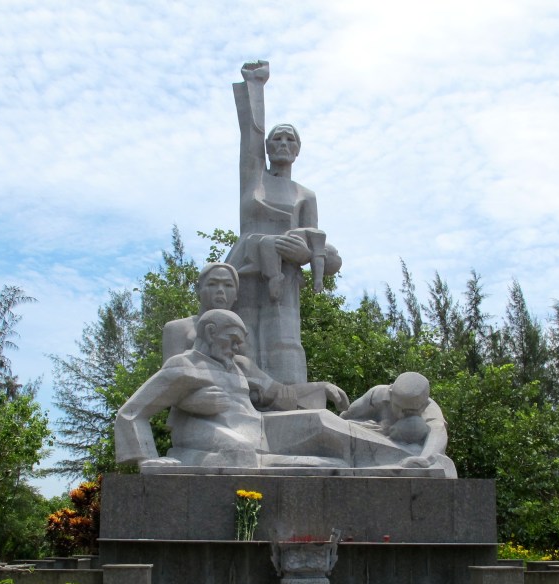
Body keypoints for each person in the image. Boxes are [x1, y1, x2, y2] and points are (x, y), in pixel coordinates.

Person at [115, 311, 433, 471]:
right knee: (240, 454)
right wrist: (148, 459)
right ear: (210, 332)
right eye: (233, 338)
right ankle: (305, 464)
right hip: (216, 435)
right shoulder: (183, 366)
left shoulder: (237, 367)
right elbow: (132, 412)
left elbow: (280, 394)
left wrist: (319, 388)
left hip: (261, 427)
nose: (239, 347)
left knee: (322, 419)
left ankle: (410, 459)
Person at [225, 60, 342, 385]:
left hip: (284, 279)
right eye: (277, 139)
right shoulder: (253, 179)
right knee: (243, 338)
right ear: (268, 146)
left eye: (290, 140)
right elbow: (250, 133)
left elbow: (313, 243)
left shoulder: (305, 195)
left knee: (283, 340)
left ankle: (289, 400)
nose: (283, 144)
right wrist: (256, 86)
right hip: (247, 268)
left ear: (298, 150)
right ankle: (243, 397)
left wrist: (303, 255)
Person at [162, 262, 346, 411]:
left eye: (228, 285)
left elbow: (271, 388)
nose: (220, 290)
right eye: (212, 283)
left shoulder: (241, 338)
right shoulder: (177, 328)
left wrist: (320, 388)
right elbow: (168, 384)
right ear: (198, 289)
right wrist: (195, 401)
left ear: (236, 295)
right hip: (196, 419)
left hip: (242, 415)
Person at [341, 372, 453, 471]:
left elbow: (438, 430)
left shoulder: (430, 407)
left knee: (418, 425)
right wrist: (358, 425)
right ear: (390, 393)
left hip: (403, 452)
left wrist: (425, 459)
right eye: (396, 406)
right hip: (360, 442)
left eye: (409, 411)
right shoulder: (377, 395)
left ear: (424, 405)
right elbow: (343, 418)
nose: (400, 414)